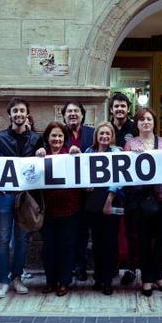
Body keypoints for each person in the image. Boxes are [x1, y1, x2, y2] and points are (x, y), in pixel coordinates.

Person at [0, 98, 42, 298]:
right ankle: (3, 281)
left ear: (27, 114)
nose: (19, 114)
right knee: (3, 239)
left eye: (22, 110)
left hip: (26, 197)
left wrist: (41, 153)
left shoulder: (36, 139)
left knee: (22, 239)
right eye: (15, 111)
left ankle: (17, 277)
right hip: (4, 195)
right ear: (9, 114)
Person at [124, 108, 162, 296]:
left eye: (149, 119)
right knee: (144, 239)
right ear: (136, 123)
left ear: (154, 122)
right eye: (142, 119)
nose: (146, 122)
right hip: (140, 199)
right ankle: (146, 278)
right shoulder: (130, 145)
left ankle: (158, 276)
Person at [35, 121, 82, 296]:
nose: (57, 139)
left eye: (60, 136)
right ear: (47, 138)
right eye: (53, 135)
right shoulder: (41, 155)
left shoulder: (70, 154)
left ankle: (64, 281)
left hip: (70, 210)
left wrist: (77, 155)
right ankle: (50, 281)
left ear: (65, 138)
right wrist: (36, 157)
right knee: (49, 248)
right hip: (48, 211)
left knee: (66, 248)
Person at [84, 122, 123, 295]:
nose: (104, 137)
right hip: (93, 203)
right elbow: (82, 173)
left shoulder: (117, 152)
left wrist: (109, 198)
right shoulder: (89, 152)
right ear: (96, 136)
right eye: (101, 134)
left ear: (112, 135)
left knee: (110, 242)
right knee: (97, 242)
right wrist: (85, 185)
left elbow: (120, 178)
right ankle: (98, 277)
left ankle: (108, 280)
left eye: (108, 133)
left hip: (112, 201)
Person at [61, 100, 95, 282]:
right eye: (69, 111)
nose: (73, 114)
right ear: (64, 115)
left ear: (82, 115)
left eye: (76, 111)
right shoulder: (58, 132)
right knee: (67, 232)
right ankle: (66, 266)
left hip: (87, 192)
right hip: (65, 192)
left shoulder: (92, 133)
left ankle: (80, 266)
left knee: (83, 232)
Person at [110, 92, 139, 286]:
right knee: (110, 229)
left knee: (132, 229)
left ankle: (131, 267)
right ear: (111, 109)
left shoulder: (135, 128)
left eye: (123, 106)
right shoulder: (105, 129)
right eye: (116, 106)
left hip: (131, 188)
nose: (120, 109)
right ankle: (111, 266)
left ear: (128, 108)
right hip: (110, 189)